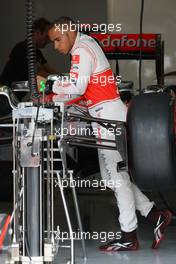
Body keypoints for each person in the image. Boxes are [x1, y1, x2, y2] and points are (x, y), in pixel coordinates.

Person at [46, 16, 172, 251]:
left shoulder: (82, 49)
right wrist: (53, 97)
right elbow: (80, 90)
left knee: (117, 177)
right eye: (53, 41)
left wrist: (50, 86)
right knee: (111, 177)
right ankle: (154, 214)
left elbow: (76, 87)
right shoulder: (85, 46)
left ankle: (129, 235)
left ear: (70, 32)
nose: (55, 46)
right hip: (105, 116)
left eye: (57, 40)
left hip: (107, 118)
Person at [0, 17, 57, 88]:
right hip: (5, 94)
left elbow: (49, 69)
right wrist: (60, 80)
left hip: (17, 96)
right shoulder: (22, 48)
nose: (49, 41)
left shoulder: (37, 52)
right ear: (37, 33)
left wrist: (60, 76)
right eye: (47, 37)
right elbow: (39, 72)